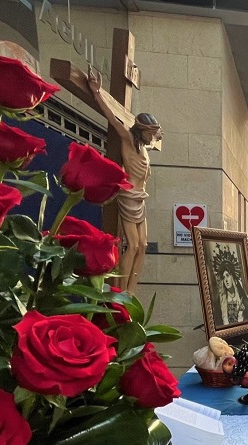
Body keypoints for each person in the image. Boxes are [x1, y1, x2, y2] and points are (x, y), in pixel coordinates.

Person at [88, 71, 162, 295]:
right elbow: (113, 118)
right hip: (129, 195)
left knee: (144, 246)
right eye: (151, 132)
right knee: (133, 245)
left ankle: (132, 288)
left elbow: (158, 138)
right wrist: (97, 92)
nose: (153, 137)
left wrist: (158, 136)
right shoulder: (129, 139)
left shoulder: (145, 149)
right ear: (142, 131)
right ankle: (122, 289)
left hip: (141, 197)